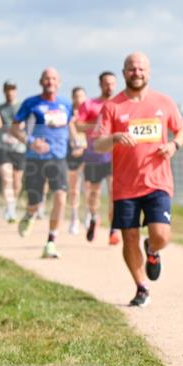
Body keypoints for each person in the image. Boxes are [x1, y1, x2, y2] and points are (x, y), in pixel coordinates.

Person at [92, 52, 183, 307]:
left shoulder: (163, 102)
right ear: (124, 72)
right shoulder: (112, 106)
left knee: (161, 235)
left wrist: (174, 145)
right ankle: (141, 287)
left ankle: (153, 250)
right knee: (129, 237)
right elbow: (98, 144)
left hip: (158, 181)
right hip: (125, 186)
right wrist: (114, 138)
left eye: (141, 69)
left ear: (148, 72)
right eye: (132, 69)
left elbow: (182, 130)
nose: (137, 73)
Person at [11, 67, 74, 259]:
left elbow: (71, 125)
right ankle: (30, 214)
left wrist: (77, 141)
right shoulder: (31, 103)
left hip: (58, 157)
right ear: (41, 82)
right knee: (35, 202)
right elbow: (15, 128)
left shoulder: (66, 104)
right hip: (35, 159)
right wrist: (31, 142)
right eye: (47, 78)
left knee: (61, 197)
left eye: (54, 78)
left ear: (59, 82)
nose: (50, 82)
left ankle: (51, 242)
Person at [77, 71, 119, 244]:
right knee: (94, 193)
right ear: (100, 85)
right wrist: (97, 125)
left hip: (114, 157)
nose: (110, 87)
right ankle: (94, 217)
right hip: (94, 156)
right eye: (106, 83)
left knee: (114, 193)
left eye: (112, 83)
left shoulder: (119, 104)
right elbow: (78, 126)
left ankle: (113, 229)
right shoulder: (89, 104)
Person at [0, 80, 26, 223]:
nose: (10, 92)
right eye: (8, 89)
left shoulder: (22, 107)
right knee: (5, 177)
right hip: (3, 147)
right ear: (4, 91)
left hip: (19, 148)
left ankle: (12, 204)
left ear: (16, 91)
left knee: (17, 181)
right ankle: (9, 207)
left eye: (12, 89)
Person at [66, 86, 88, 234]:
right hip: (71, 154)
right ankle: (74, 218)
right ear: (72, 98)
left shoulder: (89, 114)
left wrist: (84, 147)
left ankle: (89, 215)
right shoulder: (67, 114)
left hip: (88, 153)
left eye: (81, 96)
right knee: (74, 188)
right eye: (76, 96)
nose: (79, 99)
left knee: (88, 187)